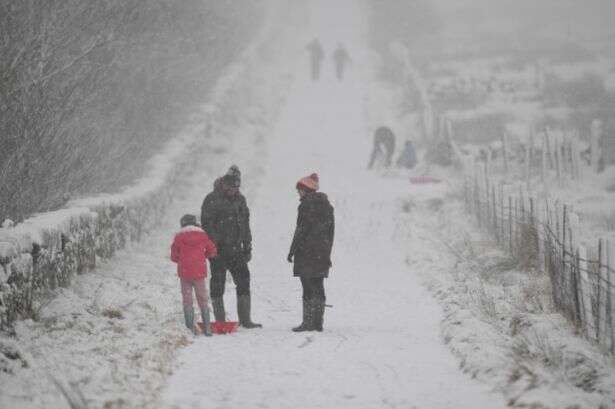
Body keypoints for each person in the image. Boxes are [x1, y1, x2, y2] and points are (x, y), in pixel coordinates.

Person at [201, 165, 262, 328]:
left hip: (237, 249)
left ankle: (245, 320)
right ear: (223, 184)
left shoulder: (241, 200)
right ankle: (220, 321)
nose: (234, 190)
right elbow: (207, 225)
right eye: (231, 187)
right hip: (217, 250)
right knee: (217, 283)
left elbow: (245, 224)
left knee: (244, 281)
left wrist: (247, 245)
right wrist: (213, 246)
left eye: (237, 187)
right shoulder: (211, 199)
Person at [287, 173, 334, 332]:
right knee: (318, 285)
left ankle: (307, 322)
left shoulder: (305, 205)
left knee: (307, 287)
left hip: (306, 252)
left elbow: (300, 230)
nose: (298, 193)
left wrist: (292, 250)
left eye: (299, 190)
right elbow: (330, 232)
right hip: (322, 252)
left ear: (306, 190)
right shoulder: (327, 206)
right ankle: (318, 322)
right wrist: (327, 250)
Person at [171, 214, 217, 336]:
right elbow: (212, 250)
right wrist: (202, 256)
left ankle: (190, 328)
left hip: (185, 272)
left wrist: (182, 259)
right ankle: (207, 328)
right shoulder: (202, 235)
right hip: (199, 272)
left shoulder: (178, 237)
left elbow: (174, 256)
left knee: (187, 300)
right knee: (202, 298)